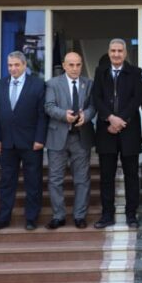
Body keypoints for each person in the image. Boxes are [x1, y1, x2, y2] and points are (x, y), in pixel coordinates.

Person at [0, 51, 47, 231]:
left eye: (16, 65)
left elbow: (42, 115)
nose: (13, 68)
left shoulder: (38, 84)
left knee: (33, 182)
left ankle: (31, 218)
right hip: (7, 143)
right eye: (10, 65)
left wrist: (40, 139)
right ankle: (3, 218)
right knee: (6, 183)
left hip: (31, 143)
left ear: (24, 65)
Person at [92, 38, 142, 229]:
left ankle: (131, 215)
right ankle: (107, 215)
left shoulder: (135, 72)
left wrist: (120, 120)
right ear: (109, 52)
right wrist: (110, 118)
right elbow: (96, 98)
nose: (116, 54)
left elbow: (136, 99)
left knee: (132, 176)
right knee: (107, 176)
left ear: (125, 53)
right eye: (113, 51)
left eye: (120, 51)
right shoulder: (100, 72)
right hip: (106, 131)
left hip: (129, 130)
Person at [44, 51, 95, 230]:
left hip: (80, 137)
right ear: (64, 66)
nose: (75, 68)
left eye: (78, 65)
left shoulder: (89, 83)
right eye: (71, 65)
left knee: (82, 179)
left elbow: (93, 106)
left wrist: (86, 115)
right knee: (55, 179)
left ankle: (80, 216)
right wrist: (64, 115)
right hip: (58, 136)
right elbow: (49, 106)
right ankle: (58, 216)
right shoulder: (52, 83)